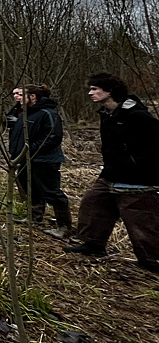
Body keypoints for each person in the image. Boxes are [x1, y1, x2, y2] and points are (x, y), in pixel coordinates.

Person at [64, 73, 159, 273]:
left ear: (110, 91)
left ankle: (151, 261)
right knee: (93, 204)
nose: (90, 93)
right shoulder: (107, 114)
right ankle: (93, 245)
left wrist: (138, 166)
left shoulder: (137, 116)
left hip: (138, 180)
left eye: (94, 89)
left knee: (140, 222)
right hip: (111, 175)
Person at [8, 84, 71, 237]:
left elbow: (53, 137)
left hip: (45, 160)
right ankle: (34, 218)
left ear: (33, 97)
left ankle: (64, 226)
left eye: (21, 95)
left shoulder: (47, 113)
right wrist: (17, 153)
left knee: (52, 192)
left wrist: (31, 148)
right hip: (25, 160)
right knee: (31, 190)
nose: (17, 98)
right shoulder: (24, 114)